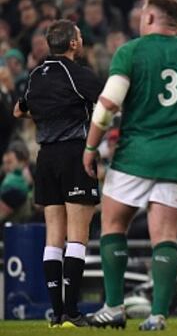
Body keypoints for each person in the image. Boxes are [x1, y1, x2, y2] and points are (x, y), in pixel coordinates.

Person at [83, 0, 177, 331]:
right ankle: (157, 315)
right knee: (166, 236)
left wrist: (90, 148)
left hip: (133, 155)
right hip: (175, 159)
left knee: (113, 225)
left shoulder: (130, 52)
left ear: (152, 17)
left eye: (143, 13)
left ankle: (114, 307)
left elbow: (107, 106)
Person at [13, 20, 102, 328]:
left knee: (54, 236)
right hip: (74, 153)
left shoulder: (36, 74)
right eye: (79, 35)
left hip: (45, 157)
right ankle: (73, 313)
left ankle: (56, 314)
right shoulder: (77, 74)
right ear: (74, 44)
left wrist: (44, 114)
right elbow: (108, 101)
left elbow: (19, 109)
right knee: (77, 235)